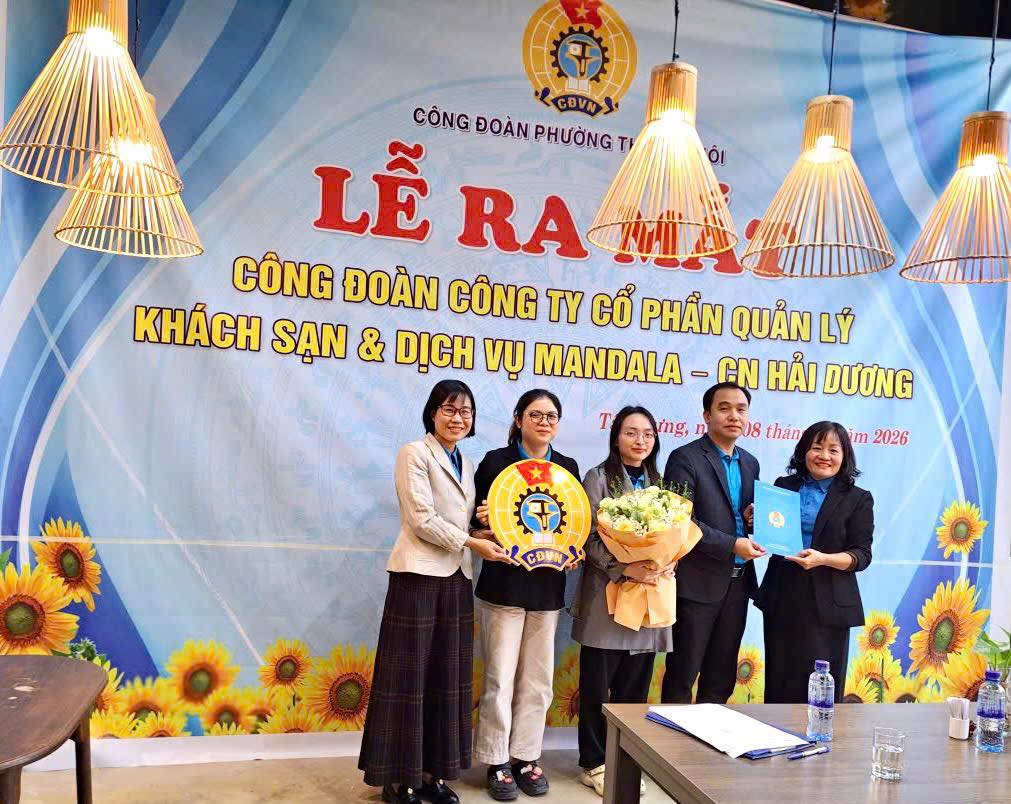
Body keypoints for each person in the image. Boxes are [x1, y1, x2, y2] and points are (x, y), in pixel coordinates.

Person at [359, 380, 510, 804]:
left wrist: (482, 530)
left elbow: (458, 525)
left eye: (466, 412)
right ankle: (397, 779)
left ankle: (432, 773)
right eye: (449, 409)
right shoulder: (414, 453)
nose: (458, 418)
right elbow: (422, 520)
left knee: (449, 679)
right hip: (418, 577)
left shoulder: (465, 460)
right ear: (432, 412)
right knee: (408, 679)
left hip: (456, 579)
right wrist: (471, 542)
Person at [472, 389, 579, 801]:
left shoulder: (566, 468)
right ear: (518, 419)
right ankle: (496, 759)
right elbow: (475, 524)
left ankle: (526, 756)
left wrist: (574, 550)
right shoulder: (496, 463)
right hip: (503, 584)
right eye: (536, 415)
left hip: (547, 588)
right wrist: (484, 521)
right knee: (499, 678)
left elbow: (574, 524)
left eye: (551, 416)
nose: (544, 422)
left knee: (537, 681)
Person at [572, 405, 673, 797]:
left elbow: (673, 535)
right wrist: (623, 569)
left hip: (648, 598)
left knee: (635, 688)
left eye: (647, 434)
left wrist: (666, 561)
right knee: (597, 686)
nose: (640, 441)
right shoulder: (597, 478)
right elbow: (588, 536)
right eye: (631, 433)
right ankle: (594, 762)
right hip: (607, 598)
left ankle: (627, 759)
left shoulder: (660, 484)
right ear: (616, 437)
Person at [661, 382, 765, 704]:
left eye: (741, 409)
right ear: (706, 415)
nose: (734, 415)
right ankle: (670, 753)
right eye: (724, 408)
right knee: (683, 674)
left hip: (738, 585)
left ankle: (708, 750)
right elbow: (681, 521)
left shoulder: (750, 462)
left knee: (720, 679)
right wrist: (732, 544)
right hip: (697, 584)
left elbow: (743, 515)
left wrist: (753, 519)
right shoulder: (685, 458)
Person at [755, 421, 874, 703]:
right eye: (816, 447)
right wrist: (755, 519)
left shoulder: (858, 498)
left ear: (844, 456)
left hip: (829, 603)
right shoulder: (783, 487)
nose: (824, 455)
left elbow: (862, 555)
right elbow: (771, 531)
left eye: (833, 449)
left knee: (819, 688)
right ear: (804, 451)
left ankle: (817, 742)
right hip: (782, 595)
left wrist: (823, 559)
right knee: (780, 682)